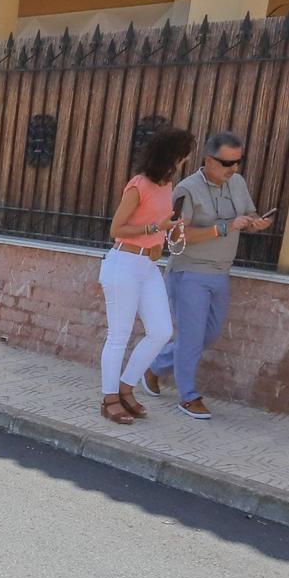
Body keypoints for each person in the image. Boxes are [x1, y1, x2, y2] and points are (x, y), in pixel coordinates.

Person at [142, 131, 274, 420]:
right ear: (208, 160)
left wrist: (256, 223)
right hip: (190, 272)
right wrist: (225, 227)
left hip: (220, 272)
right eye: (227, 163)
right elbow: (177, 237)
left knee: (208, 334)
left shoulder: (237, 183)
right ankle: (188, 396)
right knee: (190, 337)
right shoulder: (187, 190)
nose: (233, 169)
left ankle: (153, 368)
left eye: (238, 162)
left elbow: (247, 215)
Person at [98, 127, 191, 425]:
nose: (185, 160)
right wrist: (155, 227)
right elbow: (117, 229)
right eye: (183, 154)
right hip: (123, 262)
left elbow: (163, 227)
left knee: (161, 331)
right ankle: (109, 398)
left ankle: (126, 387)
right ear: (173, 155)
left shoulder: (167, 185)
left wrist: (173, 228)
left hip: (148, 266)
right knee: (119, 335)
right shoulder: (138, 185)